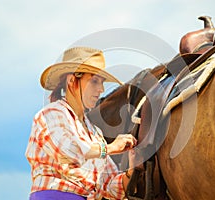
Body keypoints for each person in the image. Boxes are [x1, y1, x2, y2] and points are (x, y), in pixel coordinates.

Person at [25, 46, 137, 200]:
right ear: (72, 80)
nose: (101, 89)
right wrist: (110, 148)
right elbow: (69, 151)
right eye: (95, 81)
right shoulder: (50, 115)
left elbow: (109, 186)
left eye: (102, 82)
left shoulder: (95, 133)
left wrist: (132, 168)